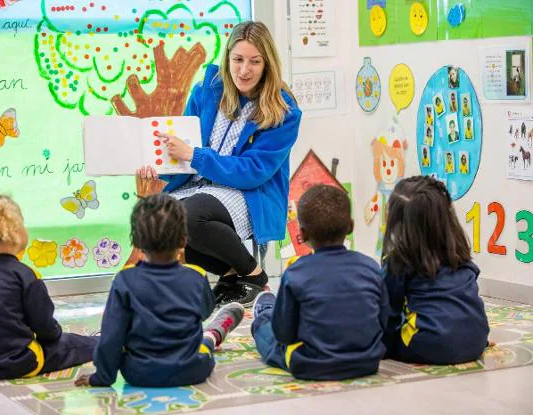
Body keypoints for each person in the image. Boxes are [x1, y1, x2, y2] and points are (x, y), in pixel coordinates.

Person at [136, 21, 302, 306]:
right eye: (237, 60)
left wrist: (196, 156)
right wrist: (158, 171)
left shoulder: (283, 112)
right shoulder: (207, 90)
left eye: (254, 62)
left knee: (187, 216)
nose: (244, 70)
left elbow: (253, 172)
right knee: (152, 217)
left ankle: (255, 276)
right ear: (227, 59)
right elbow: (182, 149)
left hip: (249, 193)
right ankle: (231, 274)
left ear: (267, 64)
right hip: (199, 185)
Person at [74, 194, 244, 388]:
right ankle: (214, 334)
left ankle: (213, 334)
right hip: (192, 369)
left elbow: (111, 336)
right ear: (183, 241)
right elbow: (204, 311)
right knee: (203, 345)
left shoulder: (124, 280)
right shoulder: (196, 276)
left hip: (139, 373)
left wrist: (102, 377)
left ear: (137, 242)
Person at [0, 195, 98, 380]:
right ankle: (111, 342)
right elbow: (45, 328)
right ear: (14, 233)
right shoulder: (23, 275)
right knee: (73, 344)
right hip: (16, 361)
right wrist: (55, 335)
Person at [250, 185, 388, 380]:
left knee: (265, 328)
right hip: (366, 361)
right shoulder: (371, 268)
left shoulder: (295, 273)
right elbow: (382, 321)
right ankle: (269, 306)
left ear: (303, 235)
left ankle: (265, 310)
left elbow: (284, 335)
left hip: (312, 363)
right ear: (351, 226)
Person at [381, 176, 489, 364]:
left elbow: (387, 314)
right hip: (476, 341)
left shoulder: (399, 263)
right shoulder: (461, 258)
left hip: (428, 344)